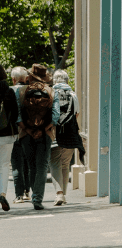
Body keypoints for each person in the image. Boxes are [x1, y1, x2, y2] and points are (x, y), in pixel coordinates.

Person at [17, 64, 54, 210]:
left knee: (32, 166)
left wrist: (28, 130)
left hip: (26, 133)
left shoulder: (21, 92)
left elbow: (18, 116)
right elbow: (56, 116)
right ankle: (37, 199)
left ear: (30, 76)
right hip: (45, 134)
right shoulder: (51, 91)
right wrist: (43, 130)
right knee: (42, 166)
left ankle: (34, 195)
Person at [49, 69, 83, 206]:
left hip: (54, 133)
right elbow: (76, 115)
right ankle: (63, 194)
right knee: (65, 164)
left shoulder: (50, 93)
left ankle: (59, 194)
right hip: (70, 134)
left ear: (54, 81)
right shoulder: (73, 94)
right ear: (67, 80)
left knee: (54, 162)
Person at [9, 67, 29, 202]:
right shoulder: (31, 90)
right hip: (30, 132)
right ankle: (28, 192)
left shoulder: (10, 91)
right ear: (26, 78)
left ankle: (19, 195)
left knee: (16, 165)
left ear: (13, 79)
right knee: (27, 163)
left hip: (14, 132)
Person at [0, 71, 18, 211]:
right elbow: (15, 113)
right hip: (7, 134)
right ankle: (2, 193)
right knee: (5, 165)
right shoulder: (9, 91)